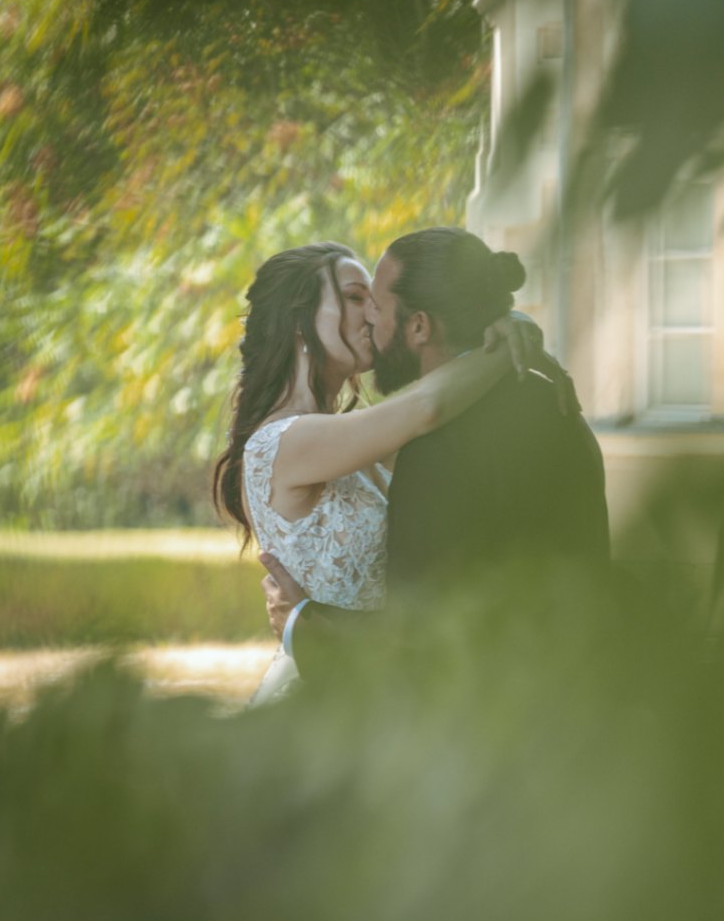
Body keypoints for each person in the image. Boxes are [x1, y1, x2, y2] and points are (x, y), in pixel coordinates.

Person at [212, 240, 556, 705]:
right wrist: (510, 336)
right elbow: (428, 407)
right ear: (298, 319)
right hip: (330, 688)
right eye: (355, 298)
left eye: (374, 301)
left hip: (390, 676)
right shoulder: (282, 444)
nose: (372, 315)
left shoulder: (354, 445)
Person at [260, 227, 610, 681]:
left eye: (377, 308)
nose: (368, 319)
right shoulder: (561, 408)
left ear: (419, 326)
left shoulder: (437, 451)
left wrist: (304, 620)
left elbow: (423, 634)